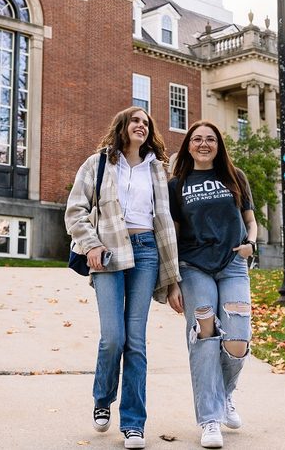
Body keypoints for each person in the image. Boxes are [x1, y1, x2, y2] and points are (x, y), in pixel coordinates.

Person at [65, 107, 181, 450]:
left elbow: (165, 222)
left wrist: (173, 277)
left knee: (136, 341)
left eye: (146, 122)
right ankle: (103, 398)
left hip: (146, 251)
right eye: (135, 120)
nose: (141, 126)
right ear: (122, 126)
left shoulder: (158, 170)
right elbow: (75, 210)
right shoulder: (98, 163)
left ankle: (133, 423)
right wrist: (90, 245)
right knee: (113, 337)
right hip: (108, 251)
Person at [166, 120, 257, 449]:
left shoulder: (235, 177)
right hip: (194, 267)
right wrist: (172, 280)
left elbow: (250, 220)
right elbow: (173, 234)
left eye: (210, 139)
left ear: (219, 145)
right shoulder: (176, 185)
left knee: (237, 339)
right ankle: (210, 420)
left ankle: (224, 395)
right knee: (204, 335)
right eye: (197, 139)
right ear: (189, 145)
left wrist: (251, 245)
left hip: (233, 264)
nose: (204, 144)